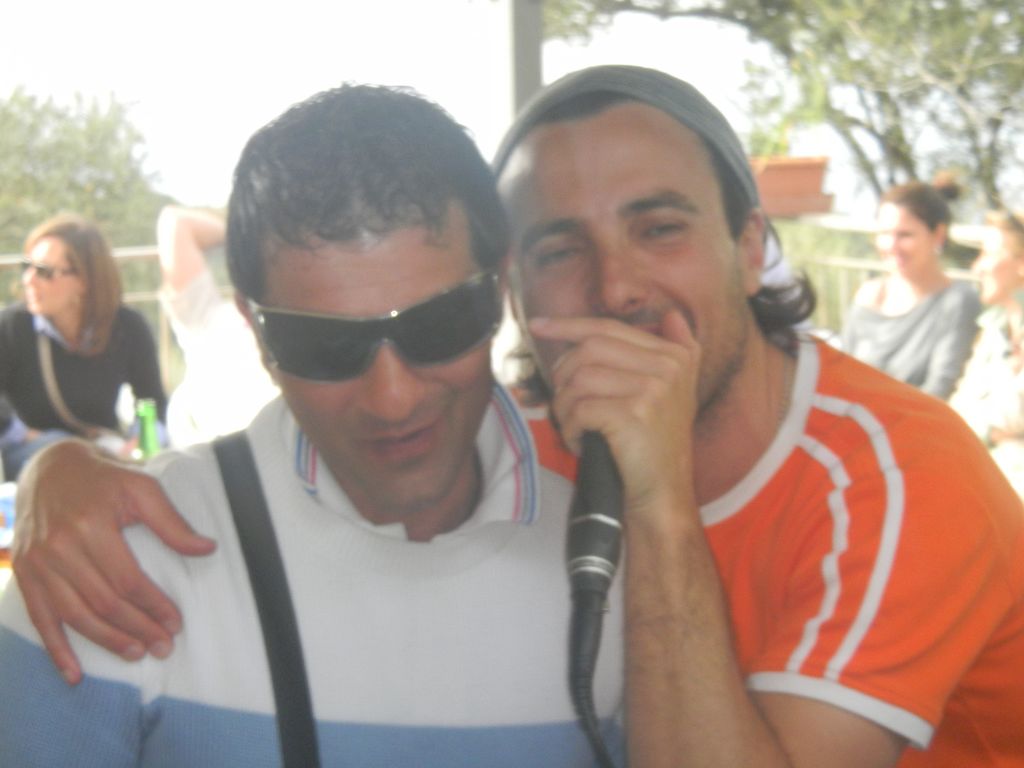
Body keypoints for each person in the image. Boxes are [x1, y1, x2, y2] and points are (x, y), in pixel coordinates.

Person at [9, 66, 1024, 768]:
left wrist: (659, 502)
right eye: (558, 248)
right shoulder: (526, 448)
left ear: (752, 244)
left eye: (659, 227)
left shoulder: (898, 477)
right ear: (516, 287)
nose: (615, 287)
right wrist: (68, 476)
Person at [0, 84, 624, 767]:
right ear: (256, 330)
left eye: (439, 323)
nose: (392, 398)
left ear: (500, 290)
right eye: (324, 344)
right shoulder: (110, 573)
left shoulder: (618, 559)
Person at [0, 214, 168, 479]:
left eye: (44, 271)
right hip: (33, 458)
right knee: (63, 455)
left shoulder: (127, 327)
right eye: (26, 267)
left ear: (84, 281)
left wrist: (139, 441)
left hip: (101, 452)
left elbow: (152, 402)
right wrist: (22, 433)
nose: (28, 279)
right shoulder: (12, 327)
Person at [841, 179, 982, 399]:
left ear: (938, 235)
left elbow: (940, 389)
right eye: (884, 233)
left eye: (904, 235)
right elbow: (842, 373)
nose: (891, 245)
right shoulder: (868, 296)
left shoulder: (957, 301)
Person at [156, 205, 277, 447]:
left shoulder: (307, 335)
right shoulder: (209, 317)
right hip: (209, 453)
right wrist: (257, 235)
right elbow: (175, 223)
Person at [950, 210, 1024, 497]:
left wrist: (985, 428)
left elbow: (1014, 415)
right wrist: (991, 430)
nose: (977, 266)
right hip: (986, 477)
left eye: (988, 254)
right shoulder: (994, 329)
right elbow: (959, 406)